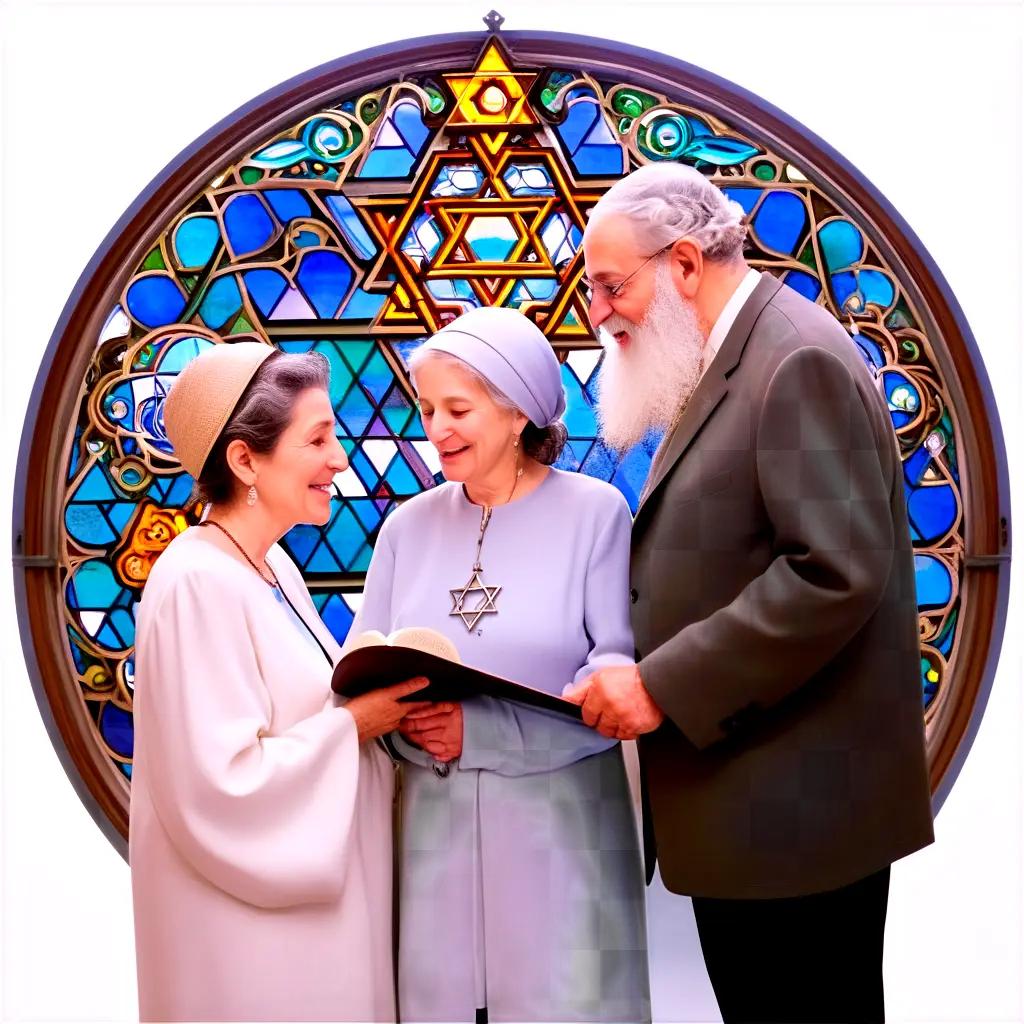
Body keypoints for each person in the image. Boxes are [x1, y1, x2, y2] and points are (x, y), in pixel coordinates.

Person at [566, 162, 935, 1024]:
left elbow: (832, 574)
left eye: (612, 287)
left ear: (685, 264)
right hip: (757, 813)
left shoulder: (793, 358)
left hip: (797, 824)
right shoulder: (732, 353)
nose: (599, 314)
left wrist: (660, 684)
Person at [350, 306, 650, 1024]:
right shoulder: (406, 527)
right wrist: (403, 724)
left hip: (561, 850)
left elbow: (618, 691)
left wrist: (477, 733)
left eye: (458, 408)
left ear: (517, 414)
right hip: (434, 852)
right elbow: (360, 671)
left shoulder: (597, 514)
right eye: (427, 408)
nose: (436, 428)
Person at [130, 341, 429, 1022]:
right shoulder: (194, 582)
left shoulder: (272, 568)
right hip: (252, 946)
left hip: (311, 927)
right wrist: (354, 724)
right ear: (244, 460)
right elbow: (221, 785)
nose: (339, 460)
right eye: (317, 439)